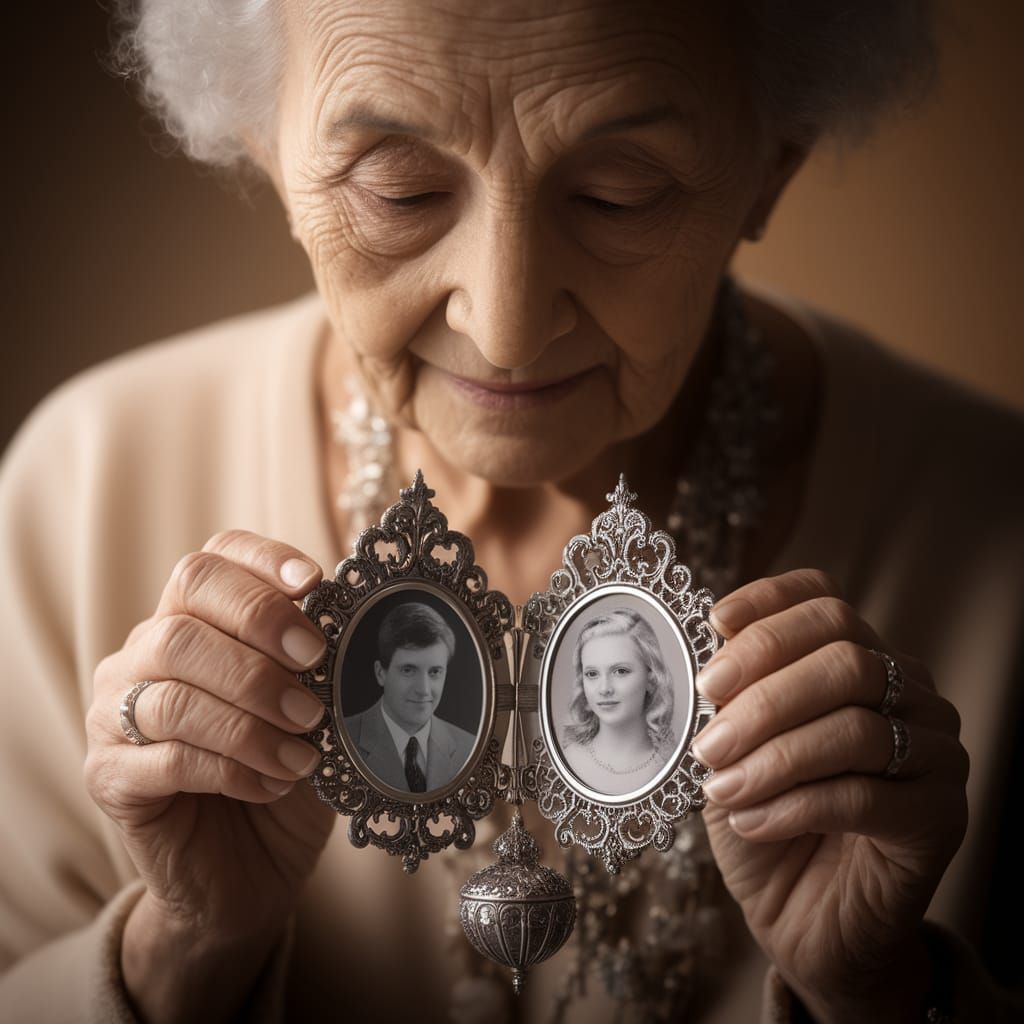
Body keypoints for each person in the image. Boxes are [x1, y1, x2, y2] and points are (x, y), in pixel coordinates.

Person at [1, 2, 1022, 1022]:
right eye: (400, 190)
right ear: (270, 148)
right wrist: (177, 951)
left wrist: (883, 994)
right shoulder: (82, 494)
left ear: (772, 164)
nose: (506, 324)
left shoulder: (995, 532)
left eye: (618, 195)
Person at [343, 601, 476, 793]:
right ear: (381, 673)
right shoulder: (343, 739)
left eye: (435, 672)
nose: (423, 690)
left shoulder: (469, 748)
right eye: (408, 670)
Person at [560, 607, 675, 795]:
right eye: (592, 674)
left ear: (651, 679)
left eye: (620, 671)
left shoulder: (670, 765)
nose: (604, 689)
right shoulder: (569, 759)